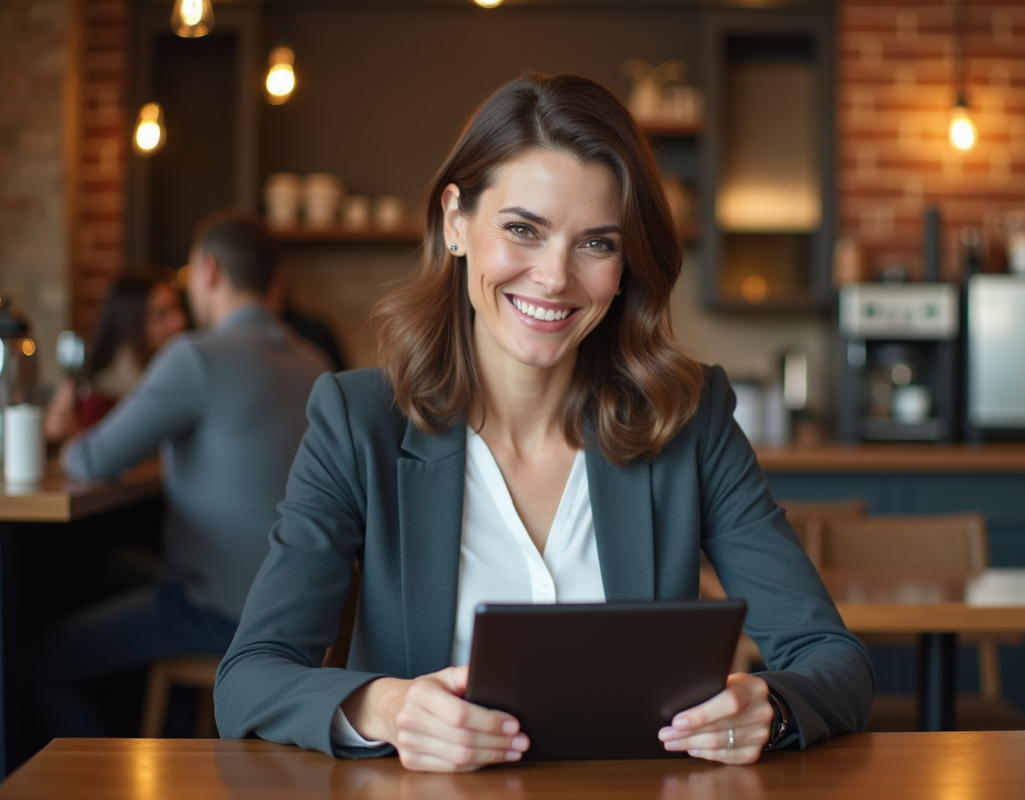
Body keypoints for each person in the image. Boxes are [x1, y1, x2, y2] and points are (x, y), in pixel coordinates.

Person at [215, 74, 873, 771]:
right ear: (456, 222)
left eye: (596, 244)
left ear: (625, 266)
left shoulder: (689, 420)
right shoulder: (359, 423)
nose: (555, 277)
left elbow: (835, 661)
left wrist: (765, 709)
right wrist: (385, 707)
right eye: (523, 229)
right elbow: (250, 677)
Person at [34, 212, 329, 737]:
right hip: (304, 613)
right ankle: (166, 738)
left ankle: (89, 784)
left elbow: (92, 460)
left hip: (220, 612)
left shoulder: (195, 356)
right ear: (274, 281)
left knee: (40, 659)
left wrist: (62, 434)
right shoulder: (316, 363)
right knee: (104, 568)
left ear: (208, 271)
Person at [43, 270, 188, 444]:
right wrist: (52, 434)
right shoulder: (100, 392)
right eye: (161, 314)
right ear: (129, 322)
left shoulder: (182, 374)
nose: (179, 320)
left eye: (177, 307)